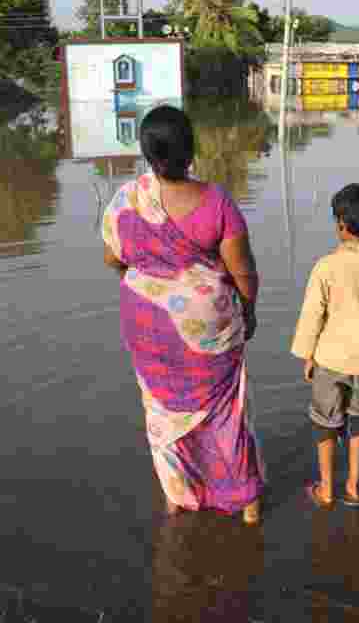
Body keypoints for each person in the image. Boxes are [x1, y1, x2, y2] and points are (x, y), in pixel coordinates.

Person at [102, 105, 265, 524]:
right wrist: (248, 310)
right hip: (206, 327)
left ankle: (179, 495)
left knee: (163, 409)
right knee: (224, 411)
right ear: (191, 150)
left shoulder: (127, 198)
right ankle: (245, 501)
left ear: (146, 153)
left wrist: (153, 282)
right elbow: (242, 271)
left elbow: (113, 258)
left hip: (145, 323)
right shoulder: (216, 202)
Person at [291, 184, 359, 507]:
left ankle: (326, 487)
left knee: (325, 421)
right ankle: (353, 484)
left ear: (341, 223)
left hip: (330, 360)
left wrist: (307, 354)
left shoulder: (326, 265)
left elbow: (313, 315)